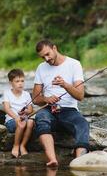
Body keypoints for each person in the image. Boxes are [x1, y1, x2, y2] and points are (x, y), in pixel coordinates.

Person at [32, 39, 89, 167]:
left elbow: (80, 96)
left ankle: (79, 161)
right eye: (42, 57)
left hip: (69, 110)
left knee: (82, 124)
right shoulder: (41, 68)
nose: (46, 59)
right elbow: (35, 99)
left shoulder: (74, 64)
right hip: (48, 110)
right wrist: (46, 99)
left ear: (54, 48)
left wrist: (65, 85)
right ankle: (52, 159)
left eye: (47, 54)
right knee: (41, 118)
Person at [3, 68, 35, 158]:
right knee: (21, 123)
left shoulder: (26, 94)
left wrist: (26, 111)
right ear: (11, 83)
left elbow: (30, 110)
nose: (20, 83)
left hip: (23, 119)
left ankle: (23, 145)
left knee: (30, 122)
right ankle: (16, 146)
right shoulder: (7, 93)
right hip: (11, 121)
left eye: (22, 81)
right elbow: (7, 108)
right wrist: (16, 117)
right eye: (17, 81)